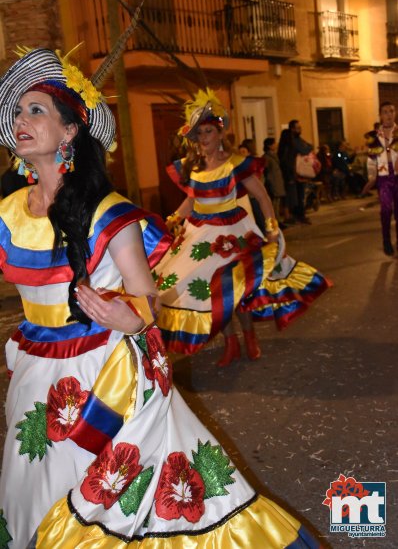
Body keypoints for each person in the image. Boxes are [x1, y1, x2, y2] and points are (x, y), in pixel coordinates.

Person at [0, 48, 325, 548]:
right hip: (33, 376)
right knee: (28, 496)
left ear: (69, 133)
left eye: (36, 110)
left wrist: (122, 316)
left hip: (97, 376)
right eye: (17, 112)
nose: (22, 120)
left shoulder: (109, 213)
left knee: (95, 506)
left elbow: (148, 302)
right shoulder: (8, 212)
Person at [154, 89, 331, 368]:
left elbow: (261, 197)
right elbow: (192, 199)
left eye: (209, 131)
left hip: (231, 233)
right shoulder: (193, 167)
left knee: (235, 289)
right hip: (199, 233)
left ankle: (249, 338)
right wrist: (174, 218)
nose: (204, 138)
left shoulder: (236, 164)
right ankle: (231, 343)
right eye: (200, 133)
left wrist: (272, 227)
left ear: (221, 132)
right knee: (211, 292)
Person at [362, 101, 398, 255]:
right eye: (385, 112)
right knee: (385, 210)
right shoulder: (374, 137)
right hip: (383, 178)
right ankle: (386, 241)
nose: (389, 115)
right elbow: (371, 160)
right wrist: (371, 178)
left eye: (391, 111)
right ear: (380, 115)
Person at [278, 120, 313, 224]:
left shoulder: (296, 140)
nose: (299, 130)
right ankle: (297, 215)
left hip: (296, 172)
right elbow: (305, 149)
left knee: (297, 196)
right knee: (296, 196)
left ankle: (298, 215)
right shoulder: (291, 144)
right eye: (297, 128)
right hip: (294, 173)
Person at [238, 137, 266, 233]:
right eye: (239, 152)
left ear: (248, 152)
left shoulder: (251, 165)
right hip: (246, 198)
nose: (241, 154)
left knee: (260, 218)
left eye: (243, 151)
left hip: (253, 196)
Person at [263, 136, 286, 222]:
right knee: (273, 203)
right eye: (274, 143)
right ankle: (276, 220)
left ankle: (278, 219)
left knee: (277, 202)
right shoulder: (267, 157)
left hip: (277, 181)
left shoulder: (274, 155)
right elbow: (265, 170)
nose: (276, 145)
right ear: (269, 145)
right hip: (272, 182)